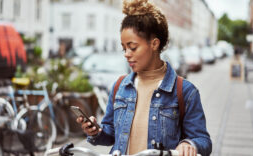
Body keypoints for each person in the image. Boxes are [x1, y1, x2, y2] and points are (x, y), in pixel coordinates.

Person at [76, 0, 212, 155]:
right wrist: (96, 131)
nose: (126, 54)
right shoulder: (120, 86)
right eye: (124, 48)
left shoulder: (185, 91)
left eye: (132, 47)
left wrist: (189, 144)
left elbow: (203, 140)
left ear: (154, 44)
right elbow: (110, 135)